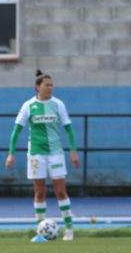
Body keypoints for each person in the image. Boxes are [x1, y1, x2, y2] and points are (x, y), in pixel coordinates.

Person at [5, 70, 80, 241]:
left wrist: (73, 151)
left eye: (52, 85)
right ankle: (41, 232)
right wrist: (11, 153)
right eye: (47, 85)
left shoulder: (58, 104)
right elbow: (16, 130)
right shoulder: (28, 106)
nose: (50, 88)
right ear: (37, 87)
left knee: (61, 191)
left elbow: (69, 128)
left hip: (55, 153)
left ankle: (69, 230)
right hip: (36, 154)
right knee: (40, 192)